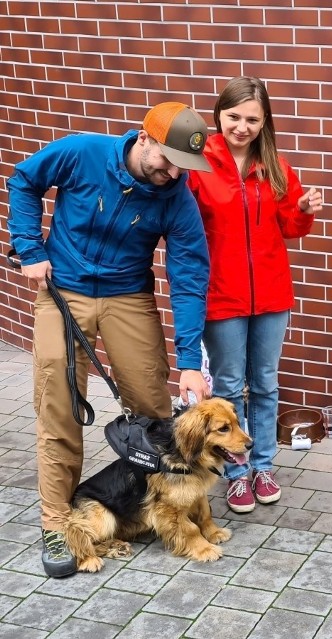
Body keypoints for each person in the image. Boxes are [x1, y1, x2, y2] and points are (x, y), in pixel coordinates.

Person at [7, 102, 213, 578]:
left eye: (183, 168)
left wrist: (189, 361)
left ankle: (169, 509)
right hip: (63, 289)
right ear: (144, 139)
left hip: (128, 296)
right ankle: (61, 525)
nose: (172, 175)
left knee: (154, 412)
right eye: (167, 161)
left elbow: (188, 277)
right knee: (58, 407)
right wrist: (30, 246)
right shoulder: (83, 153)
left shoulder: (177, 197)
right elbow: (23, 179)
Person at [187, 76, 322, 514]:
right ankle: (235, 473)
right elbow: (181, 229)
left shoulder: (277, 166)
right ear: (218, 116)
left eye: (252, 119)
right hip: (221, 295)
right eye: (233, 117)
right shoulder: (197, 165)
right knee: (228, 387)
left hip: (271, 295)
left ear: (265, 122)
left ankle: (263, 466)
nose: (241, 127)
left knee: (264, 384)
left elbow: (290, 228)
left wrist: (302, 211)